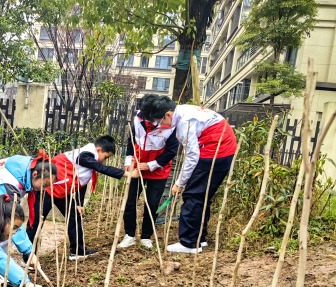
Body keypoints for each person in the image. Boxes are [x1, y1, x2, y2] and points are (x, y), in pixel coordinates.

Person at [138, 95, 237, 253]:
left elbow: (192, 156)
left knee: (193, 195)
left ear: (168, 114)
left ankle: (190, 243)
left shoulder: (184, 123)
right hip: (223, 149)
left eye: (160, 121)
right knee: (202, 195)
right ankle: (200, 238)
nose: (160, 126)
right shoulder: (183, 110)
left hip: (216, 150)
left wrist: (179, 183)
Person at [26, 136, 139, 260]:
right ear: (99, 149)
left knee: (75, 215)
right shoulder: (84, 155)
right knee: (35, 222)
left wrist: (79, 203)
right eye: (106, 157)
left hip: (63, 190)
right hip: (46, 188)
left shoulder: (88, 158)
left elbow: (81, 181)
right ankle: (29, 258)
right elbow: (102, 169)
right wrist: (128, 174)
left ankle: (78, 251)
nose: (104, 161)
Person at [0, 151, 57, 270]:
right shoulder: (10, 183)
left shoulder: (26, 166)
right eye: (44, 185)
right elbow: (11, 218)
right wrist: (29, 252)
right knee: (3, 232)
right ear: (35, 175)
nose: (44, 189)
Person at [118, 98, 179, 249]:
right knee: (130, 201)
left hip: (158, 170)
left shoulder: (171, 125)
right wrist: (128, 162)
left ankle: (146, 236)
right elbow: (131, 142)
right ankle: (129, 235)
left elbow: (171, 152)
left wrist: (150, 165)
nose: (150, 122)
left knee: (151, 204)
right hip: (136, 169)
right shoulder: (138, 120)